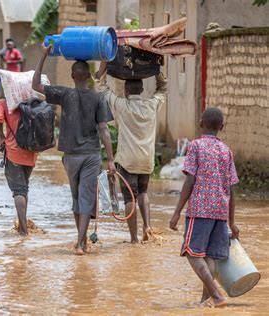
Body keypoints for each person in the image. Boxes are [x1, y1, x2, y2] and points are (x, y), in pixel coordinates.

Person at [32, 45, 116, 256]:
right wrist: (111, 160)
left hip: (71, 157)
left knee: (78, 199)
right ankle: (81, 242)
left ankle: (81, 241)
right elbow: (104, 129)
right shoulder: (98, 98)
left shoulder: (64, 94)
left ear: (72, 75)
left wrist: (43, 56)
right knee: (85, 198)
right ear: (88, 76)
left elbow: (36, 85)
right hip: (91, 155)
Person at [169, 107, 239, 308]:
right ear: (222, 127)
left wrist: (176, 212)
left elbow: (189, 181)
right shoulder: (227, 151)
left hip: (200, 209)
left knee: (191, 252)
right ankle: (206, 301)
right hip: (220, 211)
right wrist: (232, 223)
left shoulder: (195, 146)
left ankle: (216, 296)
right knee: (209, 255)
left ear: (201, 124)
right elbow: (232, 190)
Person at [96, 61, 167, 243]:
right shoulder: (152, 105)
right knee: (143, 193)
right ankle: (147, 228)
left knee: (130, 198)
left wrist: (103, 72)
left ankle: (134, 238)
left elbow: (103, 89)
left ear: (126, 91)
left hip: (127, 160)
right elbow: (163, 88)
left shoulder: (122, 106)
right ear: (142, 89)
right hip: (146, 160)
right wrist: (156, 68)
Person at [0, 97, 38, 236]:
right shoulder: (32, 100)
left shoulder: (4, 102)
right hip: (32, 150)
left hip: (13, 152)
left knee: (19, 190)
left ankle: (23, 231)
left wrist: (1, 136)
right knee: (24, 188)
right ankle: (22, 225)